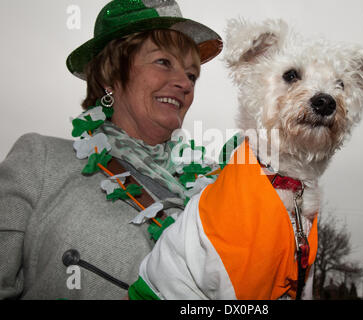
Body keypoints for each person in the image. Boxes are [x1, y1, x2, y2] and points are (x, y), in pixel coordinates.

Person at [0, 0, 222, 300]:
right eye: (163, 62)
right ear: (110, 74)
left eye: (192, 75)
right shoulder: (39, 160)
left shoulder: (216, 187)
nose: (184, 83)